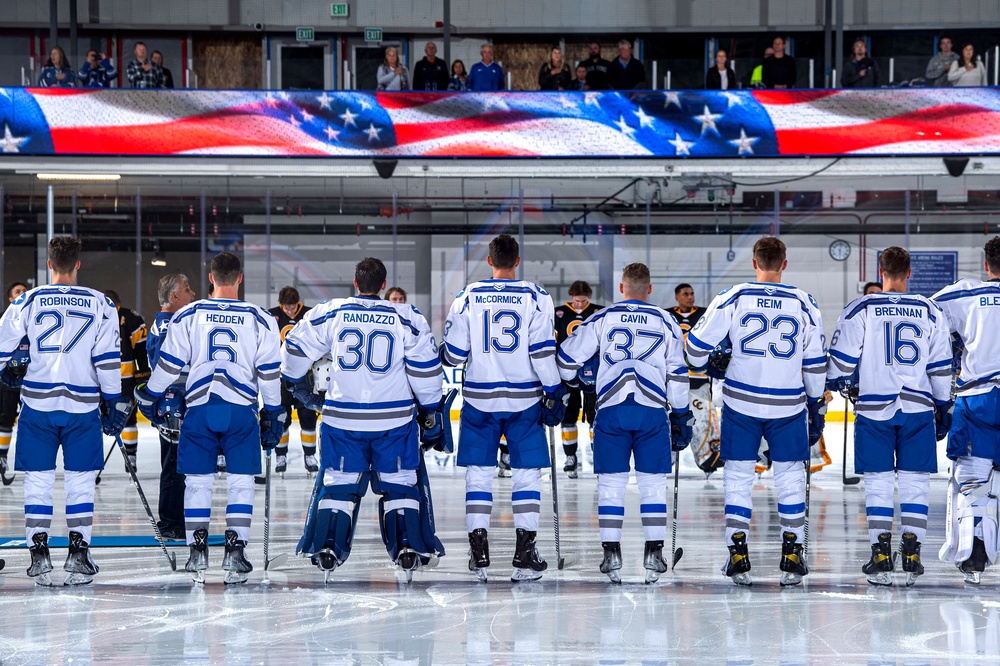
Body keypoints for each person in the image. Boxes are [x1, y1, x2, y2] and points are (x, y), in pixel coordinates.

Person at [282, 258, 445, 580]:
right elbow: (426, 370)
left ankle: (327, 546)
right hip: (393, 421)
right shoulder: (406, 316)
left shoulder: (331, 310)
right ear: (384, 286)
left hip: (343, 419)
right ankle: (408, 546)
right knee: (399, 484)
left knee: (340, 484)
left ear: (355, 284)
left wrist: (296, 382)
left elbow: (295, 350)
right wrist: (430, 408)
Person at [685, 237, 826, 587]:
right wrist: (816, 404)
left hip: (740, 404)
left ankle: (738, 554)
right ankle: (792, 554)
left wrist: (712, 365)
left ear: (753, 263)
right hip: (788, 405)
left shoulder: (733, 297)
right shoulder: (805, 302)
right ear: (785, 264)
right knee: (791, 479)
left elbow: (694, 349)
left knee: (737, 478)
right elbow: (815, 363)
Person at [136, 252, 283, 584]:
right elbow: (270, 373)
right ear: (240, 278)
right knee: (241, 483)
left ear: (211, 278)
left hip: (199, 409)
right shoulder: (261, 318)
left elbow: (169, 365)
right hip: (241, 410)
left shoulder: (189, 314)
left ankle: (196, 551)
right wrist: (272, 411)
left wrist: (150, 394)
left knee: (197, 483)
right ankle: (235, 551)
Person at [0, 237, 127, 586]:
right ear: (78, 264)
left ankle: (38, 555)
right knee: (81, 483)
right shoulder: (101, 303)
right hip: (82, 408)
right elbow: (107, 360)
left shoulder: (27, 300)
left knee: (37, 483)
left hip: (37, 407)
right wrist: (113, 400)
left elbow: (1, 347)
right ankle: (78, 554)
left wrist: (6, 370)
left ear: (50, 265)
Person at [557, 264, 691, 583]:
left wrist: (572, 383)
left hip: (611, 409)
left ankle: (611, 555)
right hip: (652, 411)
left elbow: (565, 359)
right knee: (653, 485)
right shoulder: (666, 319)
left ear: (622, 288)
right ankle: (654, 554)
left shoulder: (603, 318)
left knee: (611, 485)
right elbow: (678, 372)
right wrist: (682, 414)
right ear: (649, 288)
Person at [827, 247, 952, 587]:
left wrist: (836, 380)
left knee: (878, 484)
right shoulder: (930, 310)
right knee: (916, 482)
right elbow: (941, 366)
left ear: (880, 272)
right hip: (918, 408)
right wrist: (943, 406)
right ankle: (912, 553)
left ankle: (880, 555)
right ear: (909, 273)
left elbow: (840, 361)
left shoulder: (862, 307)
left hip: (874, 409)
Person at [441, 234, 562, 582]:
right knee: (526, 475)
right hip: (525, 401)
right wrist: (553, 389)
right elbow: (541, 352)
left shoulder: (468, 297)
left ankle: (478, 552)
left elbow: (453, 355)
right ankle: (524, 553)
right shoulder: (537, 297)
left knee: (478, 474)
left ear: (490, 262)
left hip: (480, 399)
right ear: (518, 260)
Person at [932, 236, 1000, 584]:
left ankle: (973, 555)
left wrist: (954, 341)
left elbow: (926, 316)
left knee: (971, 480)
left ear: (986, 265)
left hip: (979, 398)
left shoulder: (968, 293)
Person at [146, 274, 196, 540]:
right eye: (187, 290)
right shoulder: (169, 326)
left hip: (174, 405)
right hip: (174, 407)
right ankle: (170, 523)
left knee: (177, 464)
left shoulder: (166, 323)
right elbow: (169, 371)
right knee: (175, 465)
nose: (193, 293)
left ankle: (175, 520)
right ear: (174, 296)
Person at [668, 284, 721, 475]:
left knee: (703, 419)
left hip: (700, 377)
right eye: (685, 294)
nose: (690, 297)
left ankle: (708, 458)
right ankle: (668, 458)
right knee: (673, 420)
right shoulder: (667, 316)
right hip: (676, 377)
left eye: (692, 293)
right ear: (677, 297)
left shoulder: (705, 314)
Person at [553, 280, 602, 478]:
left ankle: (598, 456)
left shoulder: (599, 312)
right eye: (577, 301)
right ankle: (570, 457)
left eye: (583, 301)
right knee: (568, 415)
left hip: (593, 372)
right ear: (571, 296)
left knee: (594, 416)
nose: (580, 305)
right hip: (567, 372)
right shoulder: (558, 313)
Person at [268, 286, 319, 475]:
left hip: (305, 377)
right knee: (282, 418)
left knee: (307, 416)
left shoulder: (309, 314)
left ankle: (310, 456)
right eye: (286, 308)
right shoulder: (272, 316)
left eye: (292, 307)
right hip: (279, 377)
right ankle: (281, 456)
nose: (289, 311)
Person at [105, 289, 150, 472]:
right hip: (102, 379)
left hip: (125, 379)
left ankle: (131, 456)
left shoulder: (131, 318)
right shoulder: (95, 317)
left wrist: (143, 371)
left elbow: (140, 348)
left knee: (129, 418)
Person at [0, 282, 27, 484]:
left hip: (31, 378)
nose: (22, 294)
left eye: (25, 291)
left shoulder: (36, 319)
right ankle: (2, 457)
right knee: (6, 418)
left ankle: (34, 462)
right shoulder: (3, 319)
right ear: (10, 299)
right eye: (18, 292)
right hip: (8, 379)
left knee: (32, 419)